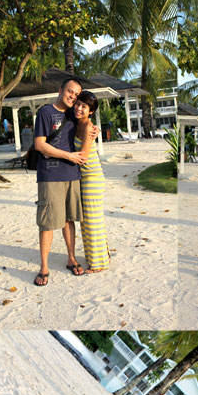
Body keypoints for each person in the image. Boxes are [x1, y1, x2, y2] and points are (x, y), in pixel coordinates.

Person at [33, 78, 89, 287]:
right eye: (70, 92)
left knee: (69, 219)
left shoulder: (75, 114)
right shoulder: (46, 113)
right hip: (50, 174)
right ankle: (44, 267)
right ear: (60, 90)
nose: (73, 97)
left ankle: (71, 258)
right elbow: (40, 145)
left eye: (76, 94)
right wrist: (69, 156)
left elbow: (86, 128)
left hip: (72, 174)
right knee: (47, 222)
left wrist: (94, 130)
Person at [73, 91, 110, 274]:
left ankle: (97, 264)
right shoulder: (77, 123)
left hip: (91, 178)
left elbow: (83, 157)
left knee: (92, 221)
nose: (79, 108)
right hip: (85, 178)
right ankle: (102, 257)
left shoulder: (88, 127)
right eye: (78, 104)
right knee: (89, 221)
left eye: (84, 106)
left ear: (91, 112)